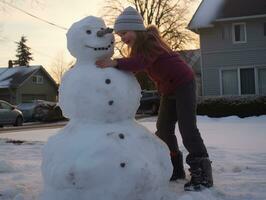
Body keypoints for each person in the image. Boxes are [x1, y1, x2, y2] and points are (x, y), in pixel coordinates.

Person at [96, 6, 213, 191]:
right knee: (163, 129)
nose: (122, 38)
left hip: (184, 83)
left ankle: (202, 173)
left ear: (136, 29)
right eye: (119, 35)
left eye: (125, 33)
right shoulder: (136, 50)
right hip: (168, 89)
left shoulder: (151, 43)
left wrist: (115, 62)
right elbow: (133, 66)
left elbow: (141, 63)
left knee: (187, 128)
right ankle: (175, 167)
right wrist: (111, 66)